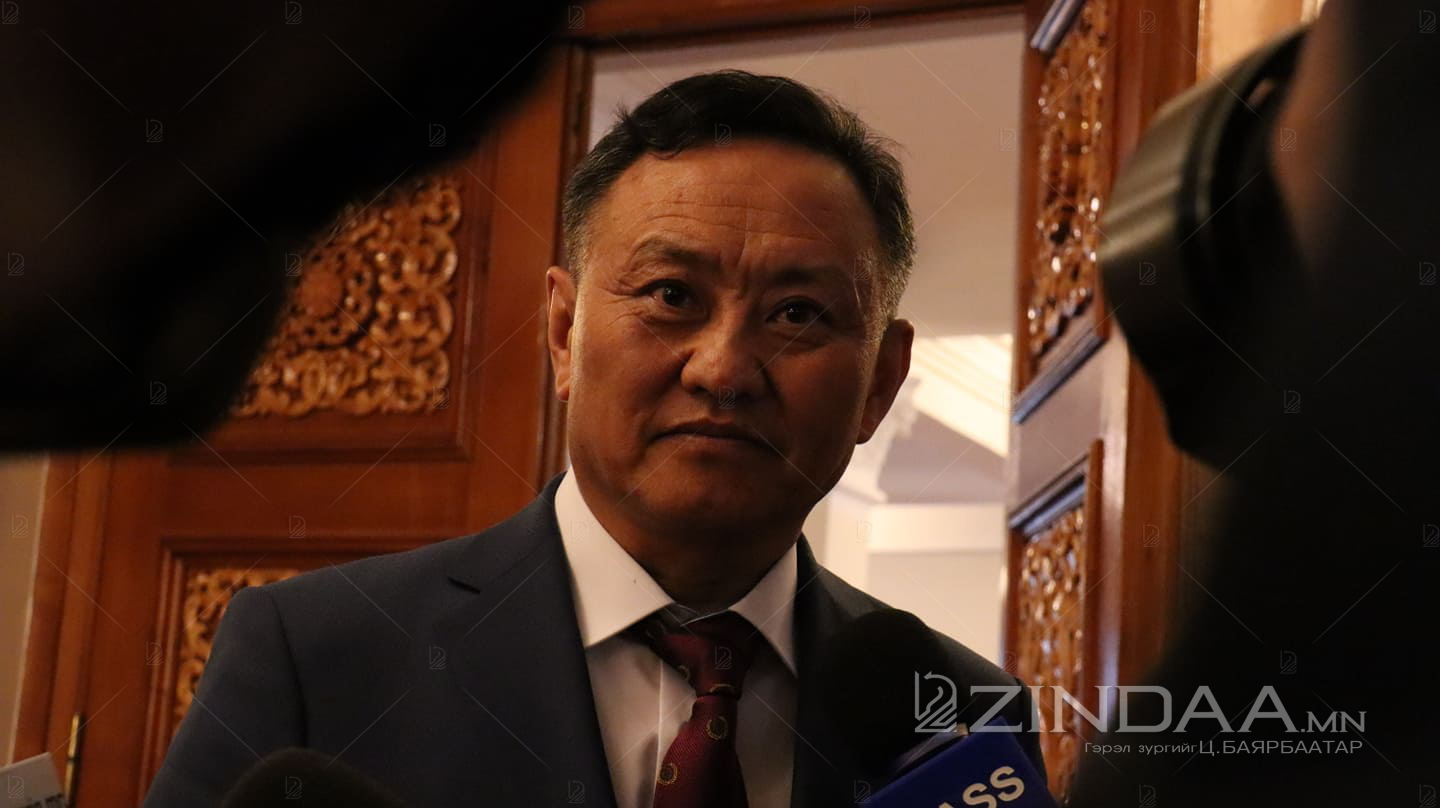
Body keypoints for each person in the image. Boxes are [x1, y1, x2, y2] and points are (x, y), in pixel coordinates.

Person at [143, 71, 1044, 808]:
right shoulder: (315, 655)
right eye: (670, 296)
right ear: (564, 332)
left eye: (798, 314)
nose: (723, 369)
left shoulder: (964, 714)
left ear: (880, 382)